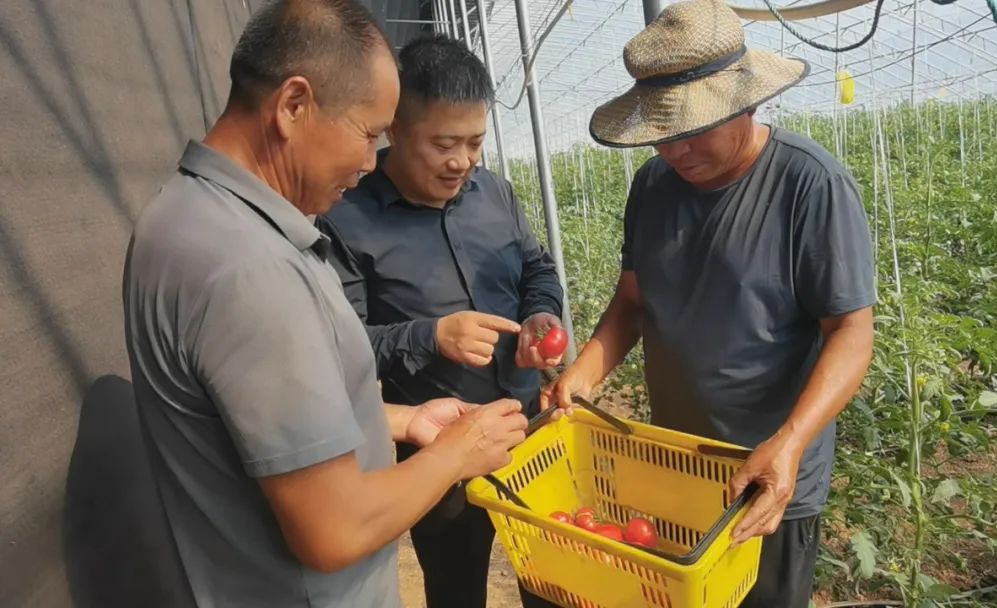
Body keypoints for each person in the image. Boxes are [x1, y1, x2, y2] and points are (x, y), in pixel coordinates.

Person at [121, 3, 528, 607]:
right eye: (367, 135)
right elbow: (335, 529)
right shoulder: (247, 268)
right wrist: (454, 455)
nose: (369, 164)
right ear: (292, 105)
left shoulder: (189, 219)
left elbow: (259, 418)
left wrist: (398, 420)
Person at [543, 1, 876, 607]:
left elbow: (851, 329)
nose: (674, 152)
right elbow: (633, 301)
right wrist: (585, 372)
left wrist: (792, 440)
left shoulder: (809, 185)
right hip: (676, 467)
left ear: (745, 102)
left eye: (692, 131)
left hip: (768, 478)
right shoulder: (651, 187)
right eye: (662, 134)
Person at [317, 34, 563, 608]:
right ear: (395, 130)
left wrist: (540, 314)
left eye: (475, 142)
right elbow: (344, 349)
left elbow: (536, 268)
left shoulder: (494, 193)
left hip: (530, 426)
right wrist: (431, 337)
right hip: (440, 446)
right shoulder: (346, 218)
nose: (463, 161)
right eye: (444, 144)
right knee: (455, 584)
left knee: (552, 573)